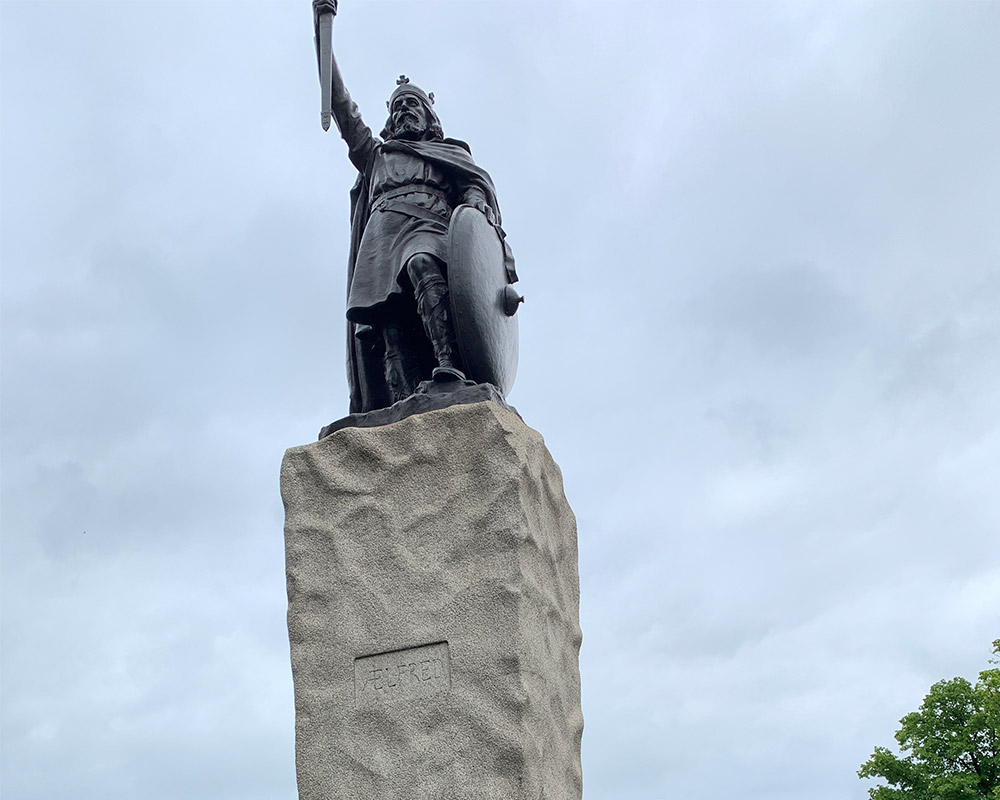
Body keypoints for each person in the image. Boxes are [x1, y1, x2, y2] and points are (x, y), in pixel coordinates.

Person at [320, 13, 513, 414]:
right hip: (381, 236)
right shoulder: (376, 156)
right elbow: (342, 107)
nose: (405, 111)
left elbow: (475, 185)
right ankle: (405, 402)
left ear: (429, 117)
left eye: (414, 105)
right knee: (385, 321)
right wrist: (322, 34)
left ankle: (449, 367)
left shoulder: (450, 153)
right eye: (399, 107)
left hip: (430, 224)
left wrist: (477, 201)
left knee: (422, 263)